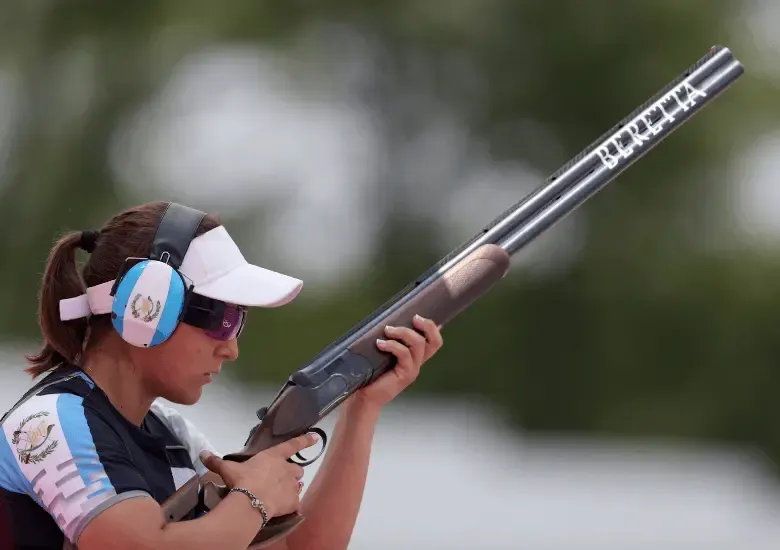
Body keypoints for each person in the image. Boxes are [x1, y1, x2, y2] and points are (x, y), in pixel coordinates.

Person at [0, 201, 444, 550]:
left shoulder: (173, 437)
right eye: (222, 318)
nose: (230, 347)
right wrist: (256, 499)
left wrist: (363, 408)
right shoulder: (51, 422)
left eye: (240, 321)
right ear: (147, 305)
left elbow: (299, 549)